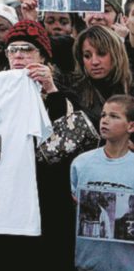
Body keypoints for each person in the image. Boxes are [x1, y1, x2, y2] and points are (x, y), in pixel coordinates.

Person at [0, 20, 75, 270]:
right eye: (13, 50)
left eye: (27, 49)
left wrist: (50, 89)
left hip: (47, 205)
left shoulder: (63, 94)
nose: (19, 55)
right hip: (2, 206)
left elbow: (65, 140)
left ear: (44, 56)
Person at [71, 94, 134, 270]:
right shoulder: (81, 163)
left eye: (114, 116)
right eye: (103, 115)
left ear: (130, 126)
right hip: (86, 262)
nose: (105, 120)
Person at [67, 25, 133, 128]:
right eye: (87, 56)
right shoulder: (73, 90)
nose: (94, 62)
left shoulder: (130, 87)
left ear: (116, 54)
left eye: (101, 54)